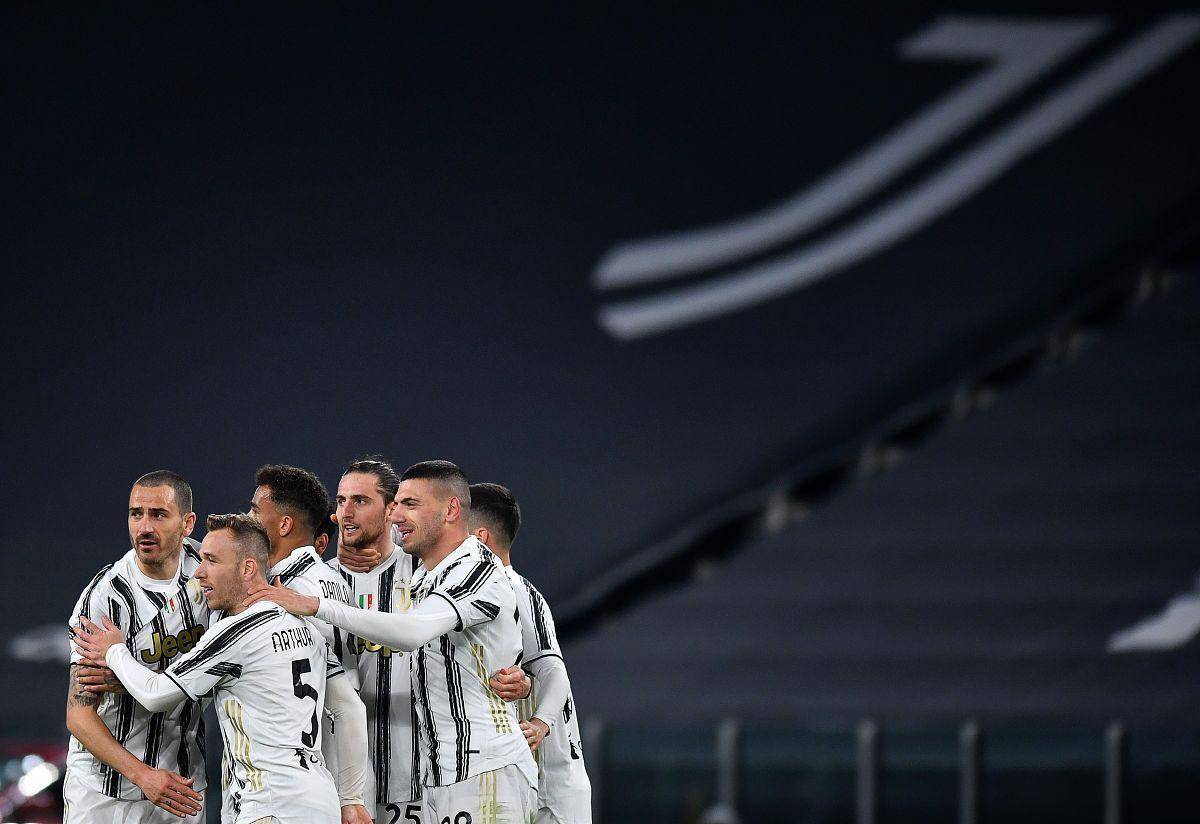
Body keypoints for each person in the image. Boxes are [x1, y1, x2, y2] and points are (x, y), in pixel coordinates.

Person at [246, 461, 537, 824]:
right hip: (432, 773)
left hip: (477, 767)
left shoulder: (471, 568)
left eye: (408, 504)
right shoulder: (422, 575)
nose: (398, 516)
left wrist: (316, 605)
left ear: (451, 509)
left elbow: (413, 632)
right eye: (341, 501)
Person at [74, 513, 362, 824]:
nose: (198, 572)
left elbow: (155, 695)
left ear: (247, 569)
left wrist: (114, 651)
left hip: (270, 804)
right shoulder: (305, 628)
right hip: (320, 799)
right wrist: (352, 798)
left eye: (211, 560)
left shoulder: (234, 634)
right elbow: (349, 707)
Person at [64, 470, 209, 822]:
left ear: (187, 523)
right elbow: (79, 715)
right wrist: (143, 776)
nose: (144, 527)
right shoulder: (105, 598)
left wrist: (132, 675)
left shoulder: (208, 571)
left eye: (158, 515)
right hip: (104, 790)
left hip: (182, 782)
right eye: (136, 514)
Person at [249, 464, 370, 824]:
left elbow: (340, 701)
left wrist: (349, 798)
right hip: (343, 770)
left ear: (284, 525)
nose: (247, 519)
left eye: (255, 511)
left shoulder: (288, 593)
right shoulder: (333, 581)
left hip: (302, 778)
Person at [473, 483, 592, 824]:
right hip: (521, 784)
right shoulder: (483, 589)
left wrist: (540, 724)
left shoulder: (513, 588)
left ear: (479, 539)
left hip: (551, 792)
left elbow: (554, 670)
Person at [327, 457, 423, 824]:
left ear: (391, 510)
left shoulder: (423, 574)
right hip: (339, 777)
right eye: (341, 501)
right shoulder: (317, 583)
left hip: (416, 771)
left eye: (360, 501)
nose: (346, 512)